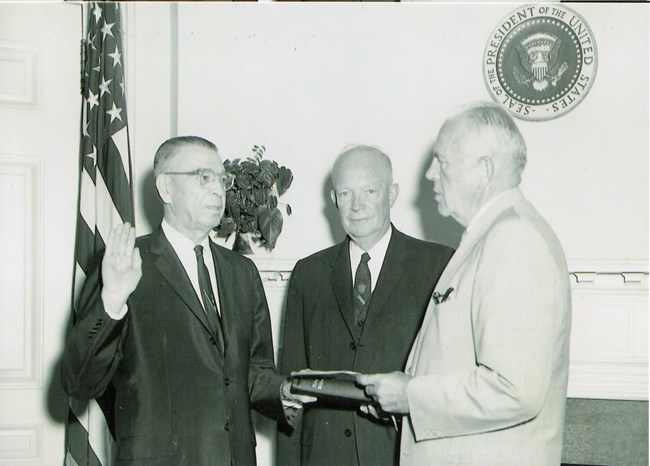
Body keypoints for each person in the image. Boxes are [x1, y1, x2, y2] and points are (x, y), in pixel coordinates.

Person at [61, 136, 307, 465]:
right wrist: (113, 301)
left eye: (223, 179)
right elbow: (79, 382)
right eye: (203, 177)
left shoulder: (242, 271)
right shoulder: (125, 262)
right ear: (165, 188)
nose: (219, 190)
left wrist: (285, 392)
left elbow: (253, 372)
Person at [357, 101, 572, 465]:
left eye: (442, 160)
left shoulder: (513, 239)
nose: (429, 173)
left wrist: (410, 395)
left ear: (484, 170)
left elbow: (514, 390)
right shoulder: (492, 235)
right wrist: (400, 400)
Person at [276, 144, 454, 466]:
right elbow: (291, 390)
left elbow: (449, 382)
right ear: (334, 200)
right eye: (345, 194)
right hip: (323, 456)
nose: (357, 205)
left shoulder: (438, 265)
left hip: (400, 454)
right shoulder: (309, 273)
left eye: (369, 190)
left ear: (392, 194)